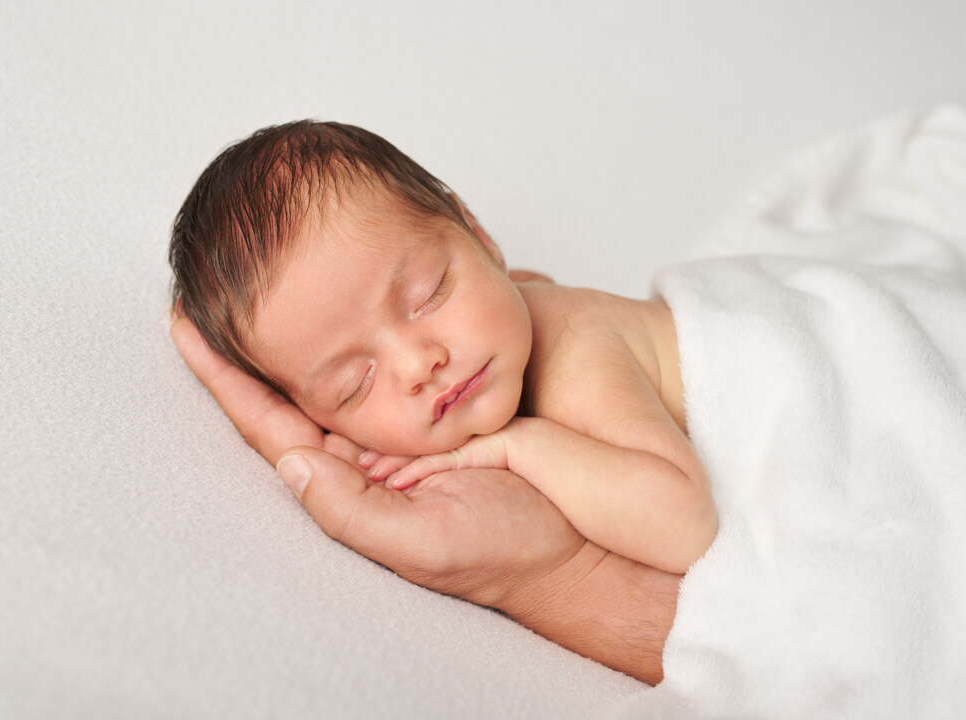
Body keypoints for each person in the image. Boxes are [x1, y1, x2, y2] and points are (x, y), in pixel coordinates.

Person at [169, 120, 716, 681]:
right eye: (355, 384)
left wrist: (518, 446)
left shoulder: (573, 348)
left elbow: (686, 525)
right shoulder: (499, 327)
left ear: (479, 237)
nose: (418, 365)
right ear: (319, 419)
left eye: (429, 294)